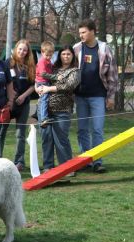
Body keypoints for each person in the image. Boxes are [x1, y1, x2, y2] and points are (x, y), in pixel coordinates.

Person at [74, 19, 118, 173]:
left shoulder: (104, 48)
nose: (81, 35)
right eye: (80, 33)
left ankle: (98, 161)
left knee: (97, 129)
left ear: (93, 31)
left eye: (84, 32)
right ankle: (85, 161)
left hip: (98, 96)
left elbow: (112, 74)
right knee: (82, 130)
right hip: (80, 97)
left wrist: (111, 97)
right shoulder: (77, 49)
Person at [35, 45, 80, 175]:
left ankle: (67, 168)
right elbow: (39, 76)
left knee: (61, 139)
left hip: (62, 110)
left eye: (68, 54)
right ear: (59, 55)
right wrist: (37, 87)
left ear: (72, 56)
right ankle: (48, 166)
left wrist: (48, 89)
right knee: (46, 138)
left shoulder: (74, 71)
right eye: (63, 54)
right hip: (45, 111)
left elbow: (68, 86)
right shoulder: (52, 68)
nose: (66, 56)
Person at [0, 39, 36, 171]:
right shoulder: (7, 63)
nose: (22, 52)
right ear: (15, 49)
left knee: (20, 134)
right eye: (20, 49)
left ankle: (19, 161)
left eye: (25, 50)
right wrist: (11, 98)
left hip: (23, 104)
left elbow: (33, 85)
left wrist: (24, 96)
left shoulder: (30, 65)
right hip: (7, 104)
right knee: (1, 132)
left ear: (27, 52)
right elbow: (3, 82)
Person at [35, 41, 55, 128]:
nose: (48, 57)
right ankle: (43, 119)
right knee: (44, 99)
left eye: (50, 55)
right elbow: (43, 73)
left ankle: (39, 114)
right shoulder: (42, 62)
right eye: (47, 55)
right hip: (42, 82)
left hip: (47, 82)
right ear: (42, 52)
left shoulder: (49, 62)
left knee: (46, 99)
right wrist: (55, 77)